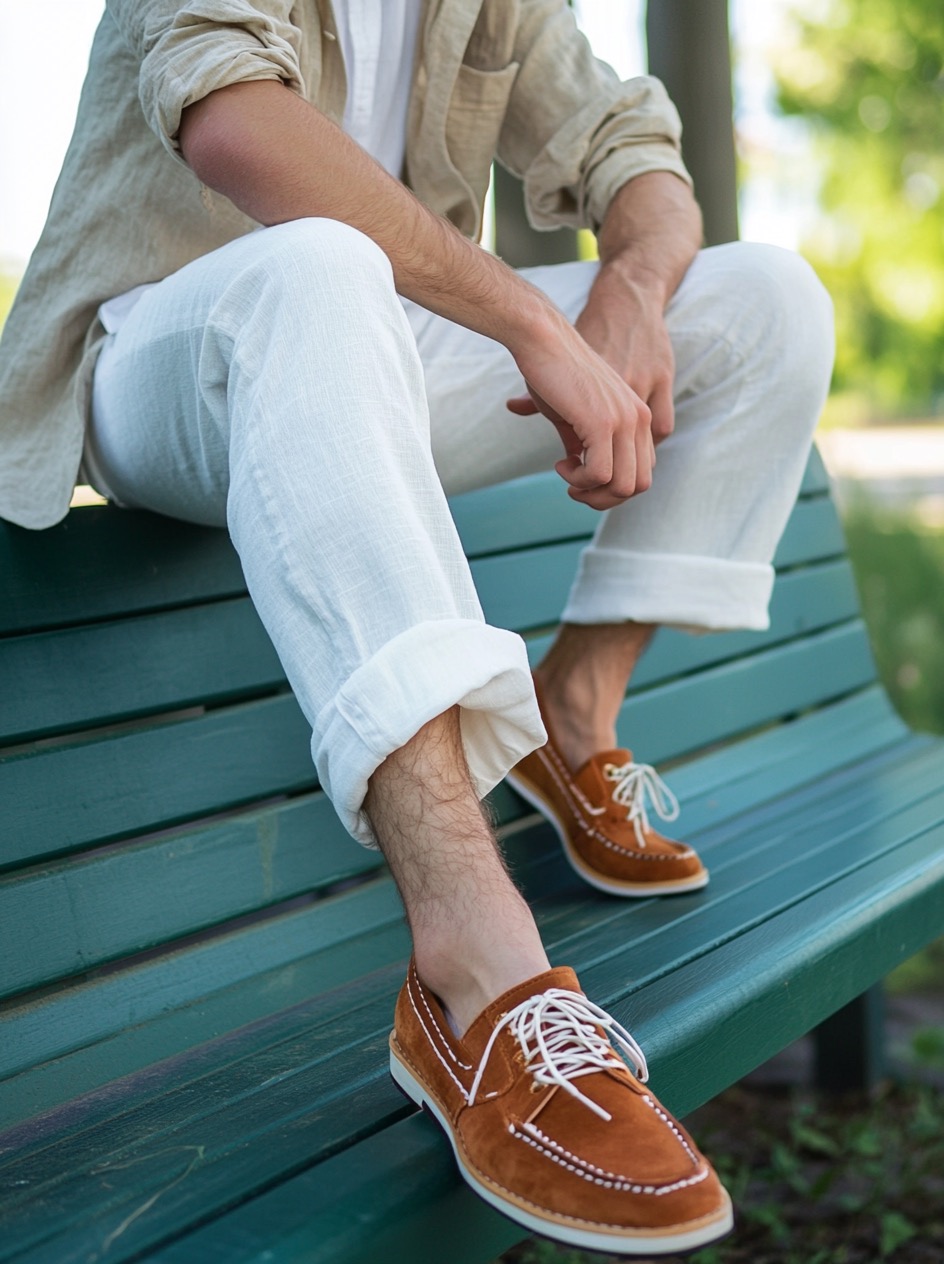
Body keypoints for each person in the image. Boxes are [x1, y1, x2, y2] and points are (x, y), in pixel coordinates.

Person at [0, 1, 834, 1253]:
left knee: (763, 296)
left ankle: (573, 711)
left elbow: (632, 147)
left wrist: (630, 286)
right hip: (161, 350)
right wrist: (534, 320)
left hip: (374, 345)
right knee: (321, 264)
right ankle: (473, 971)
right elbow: (233, 123)